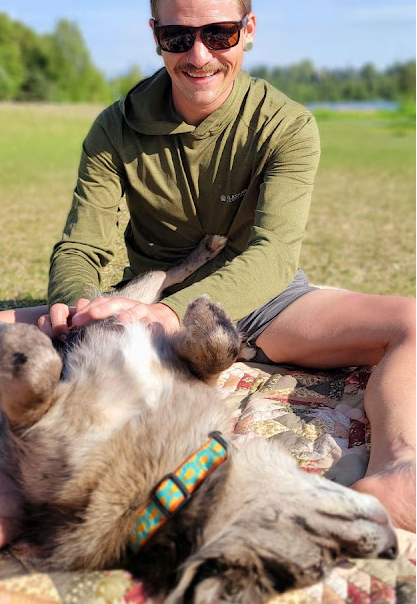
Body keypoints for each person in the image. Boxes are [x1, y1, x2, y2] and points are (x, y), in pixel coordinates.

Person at [0, 0, 415, 546]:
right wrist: (79, 309)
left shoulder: (286, 125)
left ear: (248, 31)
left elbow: (270, 253)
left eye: (219, 34)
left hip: (257, 299)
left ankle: (398, 472)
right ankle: (9, 494)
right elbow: (82, 245)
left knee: (410, 319)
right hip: (142, 299)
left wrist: (167, 316)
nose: (198, 56)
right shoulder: (115, 128)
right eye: (178, 38)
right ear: (155, 35)